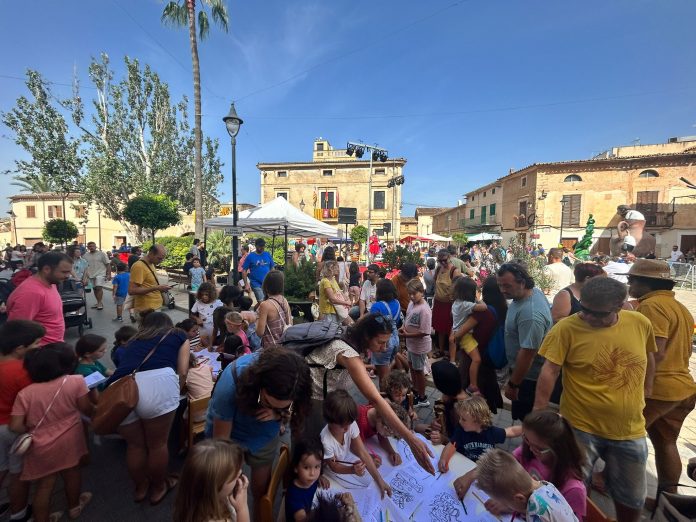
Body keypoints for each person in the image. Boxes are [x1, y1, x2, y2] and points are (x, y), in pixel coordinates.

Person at [534, 277, 657, 522]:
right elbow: (549, 371)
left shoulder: (639, 323)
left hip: (629, 429)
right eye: (585, 309)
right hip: (580, 427)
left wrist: (648, 387)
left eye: (597, 314)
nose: (587, 317)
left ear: (619, 306)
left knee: (631, 497)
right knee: (575, 487)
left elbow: (649, 356)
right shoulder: (566, 328)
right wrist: (539, 413)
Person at [303, 313, 436, 475]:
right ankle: (311, 472)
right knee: (315, 439)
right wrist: (411, 439)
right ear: (366, 336)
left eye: (386, 342)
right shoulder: (348, 353)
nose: (385, 347)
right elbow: (375, 399)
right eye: (380, 342)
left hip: (328, 394)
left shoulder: (352, 337)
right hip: (314, 398)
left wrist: (365, 369)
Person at [207, 348, 311, 516]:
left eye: (283, 406)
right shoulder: (231, 382)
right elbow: (221, 445)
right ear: (258, 384)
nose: (271, 409)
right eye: (266, 402)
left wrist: (279, 414)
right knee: (228, 487)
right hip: (230, 434)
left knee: (260, 490)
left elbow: (296, 411)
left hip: (263, 435)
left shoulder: (295, 381)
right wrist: (229, 475)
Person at [626, 259, 696, 503]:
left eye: (632, 279)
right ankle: (669, 498)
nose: (628, 283)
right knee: (666, 442)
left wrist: (639, 386)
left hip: (659, 389)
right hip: (682, 388)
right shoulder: (679, 307)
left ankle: (610, 482)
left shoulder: (652, 307)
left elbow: (655, 352)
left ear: (647, 283)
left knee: (623, 436)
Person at [106, 312, 190, 505]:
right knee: (157, 444)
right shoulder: (178, 334)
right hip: (157, 383)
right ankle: (159, 487)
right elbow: (183, 370)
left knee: (135, 445)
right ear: (168, 324)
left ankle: (141, 486)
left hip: (120, 389)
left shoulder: (136, 339)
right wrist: (178, 388)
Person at [10, 343, 95, 522]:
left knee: (45, 485)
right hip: (71, 437)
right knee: (72, 473)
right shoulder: (76, 381)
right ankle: (74, 507)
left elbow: (15, 426)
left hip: (40, 444)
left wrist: (32, 429)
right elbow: (86, 408)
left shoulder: (25, 394)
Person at [0, 320, 45, 522]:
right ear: (20, 348)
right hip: (12, 427)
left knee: (1, 467)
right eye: (36, 342)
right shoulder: (21, 372)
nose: (39, 345)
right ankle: (19, 513)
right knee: (17, 472)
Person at [456, 449, 579, 522]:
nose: (508, 506)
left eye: (507, 503)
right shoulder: (545, 485)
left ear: (519, 498)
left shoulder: (536, 511)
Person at [497, 262, 552, 421]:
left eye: (507, 286)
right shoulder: (530, 292)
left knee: (529, 424)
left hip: (529, 379)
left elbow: (527, 354)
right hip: (524, 375)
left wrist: (514, 384)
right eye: (500, 285)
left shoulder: (530, 314)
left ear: (522, 282)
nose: (502, 290)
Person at [512, 411, 587, 520]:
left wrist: (515, 507)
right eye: (527, 440)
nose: (531, 449)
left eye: (539, 448)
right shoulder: (530, 450)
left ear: (559, 450)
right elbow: (509, 464)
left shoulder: (573, 489)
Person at [320, 390, 392, 498]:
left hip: (346, 458)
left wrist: (380, 481)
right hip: (331, 470)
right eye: (343, 426)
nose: (347, 428)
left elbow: (362, 451)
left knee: (370, 479)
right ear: (330, 421)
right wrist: (352, 470)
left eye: (349, 424)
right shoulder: (326, 440)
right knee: (361, 488)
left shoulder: (349, 424)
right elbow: (334, 466)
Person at [452, 276, 506, 413]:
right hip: (489, 362)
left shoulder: (481, 312)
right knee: (484, 406)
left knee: (470, 406)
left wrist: (454, 338)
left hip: (474, 361)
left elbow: (459, 333)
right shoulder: (503, 309)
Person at [173, 439, 249, 522]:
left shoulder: (190, 502)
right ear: (214, 488)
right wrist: (242, 509)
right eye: (235, 475)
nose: (240, 473)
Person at [7, 251, 73, 345]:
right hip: (42, 353)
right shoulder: (31, 293)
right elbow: (17, 331)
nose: (68, 276)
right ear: (46, 269)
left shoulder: (51, 282)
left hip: (54, 347)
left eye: (69, 272)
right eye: (64, 272)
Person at [438, 396, 521, 468]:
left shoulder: (491, 432)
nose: (460, 421)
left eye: (463, 419)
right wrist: (443, 459)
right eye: (460, 418)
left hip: (484, 468)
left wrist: (526, 430)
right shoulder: (461, 431)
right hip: (465, 464)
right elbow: (451, 445)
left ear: (477, 421)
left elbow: (511, 431)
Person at [399, 279, 432, 408]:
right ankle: (416, 391)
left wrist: (407, 334)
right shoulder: (412, 304)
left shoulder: (424, 310)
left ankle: (422, 397)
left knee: (419, 371)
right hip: (411, 344)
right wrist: (403, 327)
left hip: (419, 346)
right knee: (412, 368)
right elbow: (407, 319)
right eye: (410, 294)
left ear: (421, 292)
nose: (412, 296)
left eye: (414, 293)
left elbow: (424, 331)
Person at [285, 438, 330, 522]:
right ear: (295, 467)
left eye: (317, 467)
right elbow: (303, 519)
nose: (312, 473)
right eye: (306, 467)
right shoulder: (294, 496)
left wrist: (319, 477)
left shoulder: (309, 479)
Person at [448, 277, 487, 374]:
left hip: (457, 332)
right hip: (465, 336)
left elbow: (452, 315)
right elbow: (484, 307)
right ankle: (473, 384)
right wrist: (478, 299)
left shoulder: (456, 303)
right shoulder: (465, 305)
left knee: (465, 357)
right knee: (476, 359)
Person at [356, 399, 409, 467]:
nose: (389, 436)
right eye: (389, 433)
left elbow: (382, 437)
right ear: (380, 421)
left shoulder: (379, 419)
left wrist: (391, 452)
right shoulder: (360, 422)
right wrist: (368, 458)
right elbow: (355, 446)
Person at [370, 279, 402, 384]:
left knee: (383, 377)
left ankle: (385, 397)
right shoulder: (397, 303)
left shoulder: (377, 306)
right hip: (395, 339)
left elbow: (373, 325)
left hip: (384, 343)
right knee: (387, 367)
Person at [432, 249, 462, 358]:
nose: (443, 263)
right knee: (439, 328)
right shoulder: (439, 268)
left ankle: (451, 353)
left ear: (449, 257)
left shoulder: (455, 271)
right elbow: (434, 280)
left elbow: (457, 289)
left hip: (450, 304)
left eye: (444, 260)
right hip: (439, 303)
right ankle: (440, 350)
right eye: (440, 261)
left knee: (450, 328)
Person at [128, 245, 171, 317]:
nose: (161, 261)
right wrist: (156, 288)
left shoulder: (151, 264)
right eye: (159, 258)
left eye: (162, 259)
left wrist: (160, 288)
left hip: (154, 307)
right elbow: (132, 290)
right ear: (151, 253)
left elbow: (149, 284)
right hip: (147, 310)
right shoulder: (139, 266)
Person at [255, 271, 292, 348]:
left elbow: (260, 332)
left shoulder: (265, 305)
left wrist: (256, 320)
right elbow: (290, 324)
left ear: (266, 286)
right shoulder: (284, 300)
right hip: (284, 347)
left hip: (271, 349)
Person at [190, 282, 223, 347]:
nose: (204, 297)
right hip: (203, 333)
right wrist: (197, 319)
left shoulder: (218, 303)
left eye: (206, 295)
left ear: (211, 294)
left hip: (216, 333)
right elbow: (192, 314)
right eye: (202, 295)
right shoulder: (198, 303)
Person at [242, 238, 274, 303]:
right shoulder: (250, 256)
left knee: (267, 302)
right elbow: (244, 271)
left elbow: (272, 268)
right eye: (260, 246)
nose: (262, 247)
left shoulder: (267, 254)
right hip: (256, 284)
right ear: (256, 246)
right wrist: (246, 284)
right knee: (263, 303)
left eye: (263, 246)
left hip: (267, 284)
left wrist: (274, 280)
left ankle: (255, 311)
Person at [83, 241, 111, 310]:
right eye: (90, 246)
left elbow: (108, 264)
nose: (91, 247)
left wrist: (109, 274)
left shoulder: (102, 254)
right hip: (90, 274)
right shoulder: (85, 256)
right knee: (94, 288)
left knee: (98, 287)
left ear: (95, 246)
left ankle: (99, 303)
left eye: (93, 246)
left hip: (100, 273)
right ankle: (98, 302)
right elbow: (84, 266)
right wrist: (84, 277)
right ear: (88, 248)